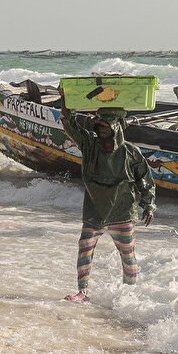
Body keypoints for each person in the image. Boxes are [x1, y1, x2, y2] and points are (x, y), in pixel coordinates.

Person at [58, 96, 155, 302]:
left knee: (128, 256)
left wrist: (149, 205)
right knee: (85, 248)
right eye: (99, 124)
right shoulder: (89, 145)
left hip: (122, 212)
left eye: (106, 124)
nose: (100, 128)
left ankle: (129, 294)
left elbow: (145, 180)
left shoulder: (131, 153)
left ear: (118, 127)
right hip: (94, 211)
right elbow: (69, 124)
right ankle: (82, 291)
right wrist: (65, 99)